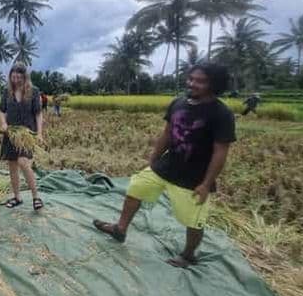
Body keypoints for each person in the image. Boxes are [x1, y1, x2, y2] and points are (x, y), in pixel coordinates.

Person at [93, 63, 236, 268]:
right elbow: (167, 134)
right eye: (191, 78)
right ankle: (120, 229)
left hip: (194, 177)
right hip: (166, 166)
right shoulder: (178, 103)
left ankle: (188, 255)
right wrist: (154, 158)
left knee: (193, 219)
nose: (192, 84)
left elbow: (220, 151)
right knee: (136, 188)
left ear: (214, 84)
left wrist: (206, 184)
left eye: (200, 81)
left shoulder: (221, 114)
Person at [0, 63, 44, 211]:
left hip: (26, 134)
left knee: (23, 162)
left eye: (19, 77)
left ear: (25, 77)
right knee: (12, 166)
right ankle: (17, 197)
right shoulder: (7, 91)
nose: (16, 80)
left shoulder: (33, 91)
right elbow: (2, 110)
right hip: (11, 134)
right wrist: (3, 123)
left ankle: (36, 197)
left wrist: (39, 133)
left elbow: (38, 113)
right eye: (13, 77)